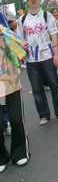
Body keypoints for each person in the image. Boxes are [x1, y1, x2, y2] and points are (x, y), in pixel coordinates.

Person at [17, 0, 58, 125]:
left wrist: (56, 54)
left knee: (54, 84)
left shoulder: (47, 16)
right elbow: (20, 38)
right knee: (37, 89)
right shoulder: (22, 19)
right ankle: (43, 115)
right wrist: (22, 44)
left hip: (47, 55)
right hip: (32, 60)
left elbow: (53, 35)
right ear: (28, 1)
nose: (34, 1)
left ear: (39, 0)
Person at [0, 24, 30, 173]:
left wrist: (22, 45)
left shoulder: (3, 31)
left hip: (10, 82)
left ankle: (19, 152)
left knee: (16, 119)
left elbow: (19, 45)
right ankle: (1, 157)